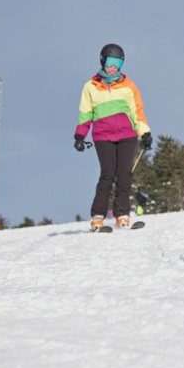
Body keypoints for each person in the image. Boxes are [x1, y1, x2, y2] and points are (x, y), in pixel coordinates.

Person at [74, 43, 152, 231]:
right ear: (102, 60)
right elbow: (86, 113)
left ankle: (122, 214)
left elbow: (137, 112)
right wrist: (79, 135)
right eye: (110, 61)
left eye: (118, 62)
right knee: (108, 174)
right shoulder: (91, 86)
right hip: (103, 136)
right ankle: (98, 216)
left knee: (124, 173)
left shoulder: (128, 86)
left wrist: (145, 132)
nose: (113, 66)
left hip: (127, 135)